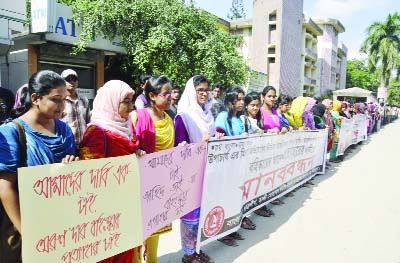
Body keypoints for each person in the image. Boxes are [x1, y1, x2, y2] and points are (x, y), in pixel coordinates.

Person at [0, 70, 78, 263]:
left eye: (65, 100)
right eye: (56, 100)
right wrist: (27, 233)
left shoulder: (63, 129)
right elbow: (5, 189)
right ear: (35, 98)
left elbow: (74, 168)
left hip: (60, 222)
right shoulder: (11, 132)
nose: (62, 107)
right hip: (27, 225)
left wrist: (73, 168)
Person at [79, 80, 138, 263]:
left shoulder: (127, 127)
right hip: (105, 213)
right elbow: (90, 177)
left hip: (126, 204)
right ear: (111, 102)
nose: (130, 107)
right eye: (125, 101)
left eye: (131, 101)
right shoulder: (97, 132)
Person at [130, 75, 175, 263]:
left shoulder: (170, 119)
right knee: (137, 229)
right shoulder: (137, 117)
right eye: (166, 94)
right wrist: (136, 153)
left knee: (155, 226)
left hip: (162, 182)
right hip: (140, 184)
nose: (171, 98)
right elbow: (127, 147)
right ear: (152, 95)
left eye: (171, 94)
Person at [174, 75, 215, 263]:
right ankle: (188, 253)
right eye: (200, 90)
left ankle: (197, 248)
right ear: (192, 92)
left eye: (206, 90)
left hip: (209, 168)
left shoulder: (208, 113)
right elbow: (179, 147)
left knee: (203, 211)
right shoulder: (184, 116)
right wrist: (200, 143)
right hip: (190, 171)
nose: (204, 94)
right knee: (191, 213)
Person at [215, 87, 247, 247]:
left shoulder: (239, 118)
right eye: (239, 99)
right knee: (224, 199)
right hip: (225, 168)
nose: (242, 102)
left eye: (243, 99)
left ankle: (231, 228)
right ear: (230, 101)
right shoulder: (222, 117)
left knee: (234, 198)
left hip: (237, 166)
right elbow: (219, 136)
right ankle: (222, 232)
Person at [241, 91, 275, 218]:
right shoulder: (243, 120)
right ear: (246, 106)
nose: (255, 108)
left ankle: (259, 206)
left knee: (258, 183)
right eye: (252, 105)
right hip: (248, 159)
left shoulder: (258, 119)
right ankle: (244, 216)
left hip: (259, 157)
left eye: (257, 105)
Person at [60, 69, 91, 148]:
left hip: (84, 144)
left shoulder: (84, 100)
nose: (72, 82)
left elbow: (89, 122)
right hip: (67, 145)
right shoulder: (59, 101)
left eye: (74, 79)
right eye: (68, 79)